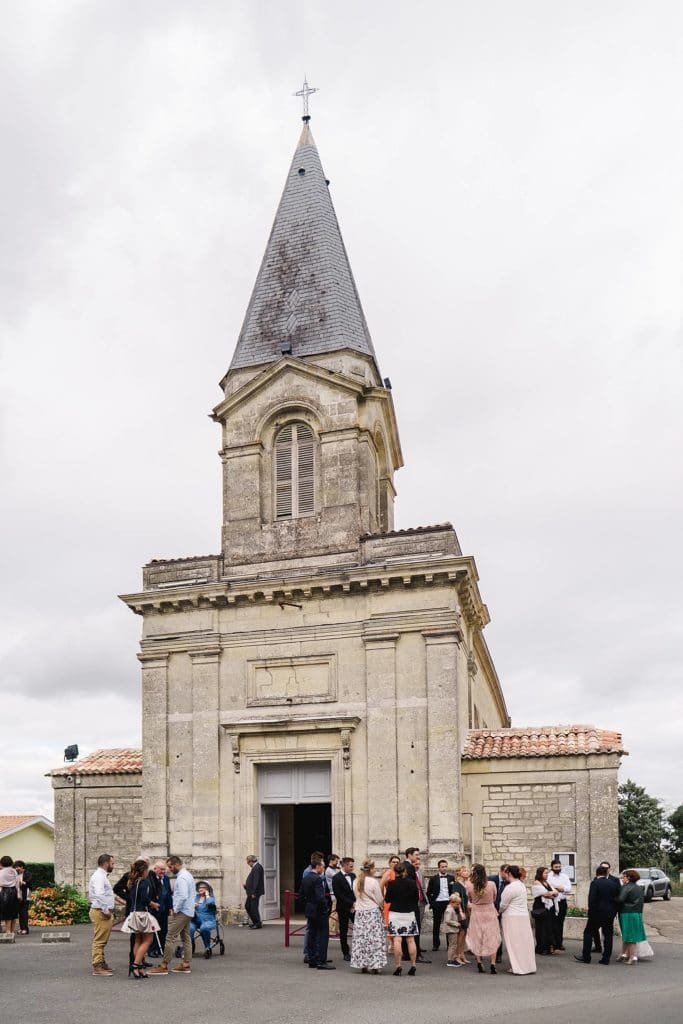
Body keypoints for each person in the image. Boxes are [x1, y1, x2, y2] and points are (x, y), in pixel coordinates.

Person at [149, 855, 196, 975]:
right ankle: (186, 964)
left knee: (170, 936)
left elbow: (183, 896)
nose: (169, 869)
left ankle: (164, 965)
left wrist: (176, 909)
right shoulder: (188, 875)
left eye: (170, 867)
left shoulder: (182, 878)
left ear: (176, 865)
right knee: (186, 937)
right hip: (188, 911)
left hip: (182, 911)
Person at [121, 859, 160, 978]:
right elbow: (144, 899)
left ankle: (139, 968)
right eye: (147, 869)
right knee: (148, 940)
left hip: (133, 913)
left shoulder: (132, 882)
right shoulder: (144, 882)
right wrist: (153, 904)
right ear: (144, 871)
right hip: (142, 913)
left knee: (138, 940)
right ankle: (136, 964)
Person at [574, 864, 618, 965]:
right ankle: (606, 959)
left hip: (596, 913)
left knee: (588, 933)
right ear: (606, 873)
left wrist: (590, 912)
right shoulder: (613, 884)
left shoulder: (595, 883)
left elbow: (592, 899)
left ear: (597, 874)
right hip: (609, 914)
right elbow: (617, 899)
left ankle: (586, 957)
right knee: (608, 936)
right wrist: (613, 912)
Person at [350, 859, 386, 974]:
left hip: (360, 913)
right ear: (370, 869)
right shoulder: (373, 882)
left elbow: (356, 897)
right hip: (372, 913)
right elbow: (380, 899)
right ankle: (375, 965)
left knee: (362, 940)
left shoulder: (355, 881)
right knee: (374, 939)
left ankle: (362, 964)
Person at [499, 865, 536, 975]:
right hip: (523, 916)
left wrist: (499, 911)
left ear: (509, 874)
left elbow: (503, 904)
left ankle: (517, 966)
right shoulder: (521, 885)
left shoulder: (510, 888)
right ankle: (527, 966)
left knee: (513, 942)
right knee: (524, 942)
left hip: (511, 917)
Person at [466, 863, 501, 974]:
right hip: (489, 910)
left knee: (477, 938)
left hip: (477, 912)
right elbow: (495, 897)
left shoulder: (469, 885)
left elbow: (470, 899)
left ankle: (479, 962)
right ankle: (493, 963)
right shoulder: (491, 884)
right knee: (492, 937)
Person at [385, 863, 419, 976]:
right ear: (404, 871)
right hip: (409, 912)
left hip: (395, 913)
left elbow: (387, 899)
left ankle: (398, 965)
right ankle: (413, 965)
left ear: (395, 872)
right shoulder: (412, 883)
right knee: (411, 939)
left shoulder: (391, 884)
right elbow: (416, 899)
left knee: (397, 940)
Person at [300, 856, 334, 970]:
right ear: (318, 866)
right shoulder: (317, 879)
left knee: (312, 935)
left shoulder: (306, 878)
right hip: (319, 910)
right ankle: (321, 961)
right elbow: (320, 897)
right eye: (323, 866)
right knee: (323, 935)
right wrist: (326, 907)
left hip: (310, 908)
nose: (324, 868)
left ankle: (312, 959)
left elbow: (301, 894)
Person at [87, 853, 116, 976]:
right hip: (101, 912)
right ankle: (97, 966)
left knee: (102, 939)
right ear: (106, 863)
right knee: (99, 940)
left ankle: (101, 963)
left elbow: (105, 894)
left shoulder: (101, 876)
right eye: (112, 863)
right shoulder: (99, 876)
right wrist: (106, 910)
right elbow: (99, 894)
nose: (113, 866)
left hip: (101, 911)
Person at [402, 848, 430, 963]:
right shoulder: (409, 867)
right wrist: (415, 901)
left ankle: (406, 954)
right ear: (409, 855)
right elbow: (412, 887)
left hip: (406, 903)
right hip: (413, 903)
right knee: (415, 928)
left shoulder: (403, 865)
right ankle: (416, 954)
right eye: (416, 855)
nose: (418, 857)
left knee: (406, 929)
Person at [616, 869, 646, 964]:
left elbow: (620, 899)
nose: (622, 878)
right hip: (637, 913)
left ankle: (633, 957)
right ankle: (624, 954)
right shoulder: (638, 887)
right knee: (629, 935)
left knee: (629, 936)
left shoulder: (626, 887)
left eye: (624, 876)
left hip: (627, 913)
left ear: (628, 878)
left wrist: (613, 899)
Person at [426, 859, 457, 952]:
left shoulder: (451, 878)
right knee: (436, 924)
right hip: (438, 903)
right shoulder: (433, 879)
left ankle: (449, 945)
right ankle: (436, 944)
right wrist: (432, 903)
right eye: (442, 867)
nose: (444, 868)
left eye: (445, 866)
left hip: (448, 903)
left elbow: (454, 891)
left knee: (449, 924)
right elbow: (428, 892)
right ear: (439, 868)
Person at [590, 861, 620, 953]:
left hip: (609, 911)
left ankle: (607, 950)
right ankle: (598, 946)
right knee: (594, 930)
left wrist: (614, 910)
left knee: (607, 932)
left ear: (609, 869)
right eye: (603, 867)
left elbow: (618, 895)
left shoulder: (614, 880)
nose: (604, 869)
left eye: (606, 868)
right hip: (598, 911)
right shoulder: (596, 879)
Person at [530, 866, 560, 956]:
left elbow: (555, 892)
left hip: (549, 908)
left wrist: (551, 893)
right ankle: (541, 948)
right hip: (540, 907)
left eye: (547, 873)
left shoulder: (546, 882)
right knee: (541, 928)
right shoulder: (536, 882)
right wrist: (551, 893)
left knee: (549, 928)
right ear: (540, 874)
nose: (547, 875)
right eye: (545, 873)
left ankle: (548, 947)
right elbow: (546, 894)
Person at [331, 857, 356, 961]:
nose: (352, 868)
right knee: (343, 930)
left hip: (355, 907)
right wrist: (351, 904)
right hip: (343, 907)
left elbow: (356, 890)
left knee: (359, 928)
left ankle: (358, 950)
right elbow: (339, 895)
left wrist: (356, 904)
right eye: (351, 866)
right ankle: (345, 952)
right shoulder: (336, 878)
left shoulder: (353, 876)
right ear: (344, 865)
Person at [148, 861, 173, 956]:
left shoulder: (166, 879)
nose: (163, 871)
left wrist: (170, 907)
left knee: (164, 930)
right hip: (154, 909)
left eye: (164, 869)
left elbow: (169, 894)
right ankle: (152, 950)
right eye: (161, 869)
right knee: (154, 930)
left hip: (164, 909)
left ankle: (161, 948)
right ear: (155, 869)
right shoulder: (150, 879)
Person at [548, 858, 572, 952]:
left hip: (562, 902)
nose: (558, 868)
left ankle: (559, 943)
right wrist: (556, 888)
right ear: (552, 867)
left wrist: (562, 888)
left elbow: (569, 888)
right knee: (552, 923)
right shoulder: (549, 876)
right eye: (556, 867)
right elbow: (548, 886)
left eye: (559, 867)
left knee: (560, 923)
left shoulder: (564, 876)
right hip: (552, 902)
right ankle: (553, 943)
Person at [488, 863, 508, 963]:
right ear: (500, 871)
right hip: (490, 909)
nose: (508, 874)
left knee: (499, 933)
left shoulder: (509, 882)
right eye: (506, 872)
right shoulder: (491, 879)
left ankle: (498, 954)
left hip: (503, 911)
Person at [191, 881, 217, 958]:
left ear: (207, 889)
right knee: (189, 928)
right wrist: (192, 906)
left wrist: (207, 895)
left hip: (208, 920)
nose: (200, 889)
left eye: (203, 887)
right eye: (199, 887)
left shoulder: (211, 898)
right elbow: (188, 905)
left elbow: (210, 903)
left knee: (204, 928)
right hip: (195, 920)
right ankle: (190, 946)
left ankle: (207, 947)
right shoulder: (195, 897)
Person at [453, 865, 471, 964]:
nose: (467, 872)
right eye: (464, 870)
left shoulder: (466, 884)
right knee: (459, 934)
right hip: (460, 912)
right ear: (459, 873)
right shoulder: (457, 884)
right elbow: (456, 899)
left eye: (467, 870)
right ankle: (457, 955)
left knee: (464, 934)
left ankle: (462, 954)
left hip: (466, 911)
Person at [443, 892, 467, 967]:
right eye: (457, 904)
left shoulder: (451, 909)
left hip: (452, 929)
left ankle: (451, 959)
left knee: (453, 945)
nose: (458, 906)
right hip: (451, 930)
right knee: (452, 945)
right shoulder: (449, 910)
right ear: (452, 902)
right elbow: (447, 920)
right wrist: (456, 923)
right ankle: (450, 960)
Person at [0, 856, 21, 935]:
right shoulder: (14, 871)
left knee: (7, 912)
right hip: (14, 891)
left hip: (5, 892)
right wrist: (19, 894)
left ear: (2, 863)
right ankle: (12, 931)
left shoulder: (1, 872)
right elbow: (17, 883)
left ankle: (7, 931)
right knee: (14, 912)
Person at [244, 855, 264, 929]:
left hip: (254, 893)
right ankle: (255, 922)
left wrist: (254, 893)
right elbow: (253, 880)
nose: (248, 864)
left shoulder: (257, 867)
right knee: (248, 906)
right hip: (251, 892)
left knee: (253, 908)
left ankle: (257, 923)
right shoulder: (255, 867)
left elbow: (256, 881)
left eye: (248, 862)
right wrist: (247, 885)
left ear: (251, 861)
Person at [380, 855, 401, 926]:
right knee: (389, 923)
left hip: (397, 901)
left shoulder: (399, 873)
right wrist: (382, 898)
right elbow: (381, 885)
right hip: (390, 901)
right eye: (393, 862)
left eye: (397, 862)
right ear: (389, 863)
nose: (395, 864)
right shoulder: (388, 872)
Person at [14, 861, 30, 935]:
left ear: (22, 867)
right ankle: (21, 928)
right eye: (15, 867)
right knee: (20, 912)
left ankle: (25, 929)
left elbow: (28, 882)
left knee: (24, 912)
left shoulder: (27, 873)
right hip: (18, 895)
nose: (16, 869)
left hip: (26, 894)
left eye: (18, 867)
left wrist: (20, 882)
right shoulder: (15, 874)